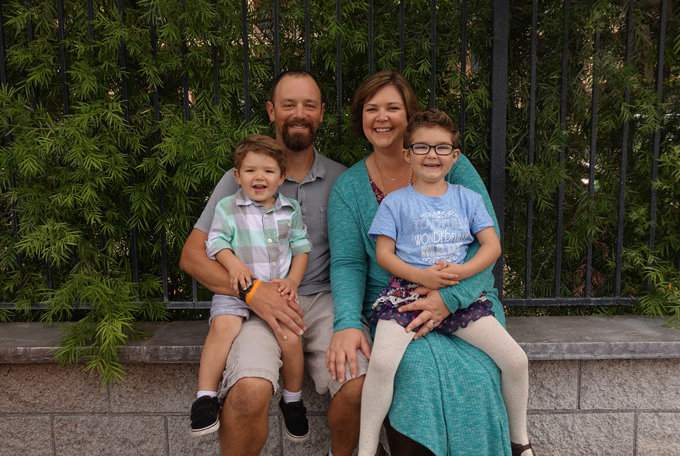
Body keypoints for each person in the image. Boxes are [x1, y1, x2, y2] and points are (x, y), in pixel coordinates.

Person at [180, 70, 371, 456]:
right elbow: (192, 257)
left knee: (359, 386)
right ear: (271, 111)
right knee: (249, 391)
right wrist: (254, 293)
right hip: (254, 307)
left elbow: (361, 257)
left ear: (320, 115)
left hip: (321, 300)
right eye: (288, 104)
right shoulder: (243, 178)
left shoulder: (344, 180)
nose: (298, 113)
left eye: (308, 105)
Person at [327, 70, 514, 455]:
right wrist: (347, 322)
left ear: (409, 116)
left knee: (479, 373)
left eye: (393, 108)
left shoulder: (450, 166)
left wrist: (451, 298)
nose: (381, 117)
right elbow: (348, 263)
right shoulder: (349, 188)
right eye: (371, 108)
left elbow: (487, 245)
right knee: (413, 372)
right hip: (398, 304)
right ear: (360, 117)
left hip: (468, 295)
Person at [358, 109, 534, 456]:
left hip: (460, 298)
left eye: (441, 148)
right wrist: (421, 276)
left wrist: (459, 275)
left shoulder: (468, 199)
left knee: (515, 360)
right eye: (421, 147)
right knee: (381, 365)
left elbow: (492, 246)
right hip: (406, 297)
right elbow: (384, 255)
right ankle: (366, 450)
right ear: (407, 154)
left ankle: (520, 442)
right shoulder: (395, 203)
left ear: (454, 157)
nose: (431, 155)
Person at [190, 134, 312, 442]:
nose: (259, 177)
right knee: (223, 326)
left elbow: (301, 248)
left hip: (277, 292)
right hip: (238, 288)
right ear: (237, 176)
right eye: (250, 170)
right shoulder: (227, 208)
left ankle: (292, 399)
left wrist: (293, 281)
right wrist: (233, 265)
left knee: (290, 337)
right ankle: (205, 397)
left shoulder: (290, 209)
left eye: (269, 171)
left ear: (282, 177)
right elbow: (214, 242)